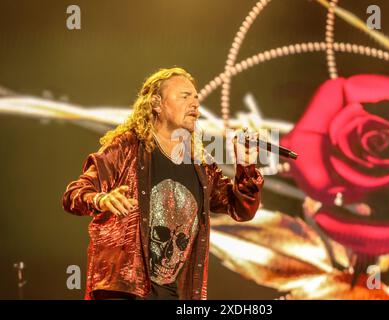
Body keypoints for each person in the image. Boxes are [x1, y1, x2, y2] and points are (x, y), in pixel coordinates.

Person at [62, 67, 264, 300]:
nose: (195, 103)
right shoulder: (126, 149)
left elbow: (240, 209)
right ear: (156, 103)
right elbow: (74, 195)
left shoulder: (199, 165)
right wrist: (101, 198)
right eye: (185, 96)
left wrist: (245, 166)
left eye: (196, 97)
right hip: (124, 290)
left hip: (172, 293)